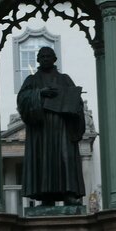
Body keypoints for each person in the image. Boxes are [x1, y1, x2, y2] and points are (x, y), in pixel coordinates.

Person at [16, 46, 86, 205]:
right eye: (42, 56)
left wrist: (74, 108)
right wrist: (40, 93)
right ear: (38, 60)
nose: (45, 58)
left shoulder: (65, 79)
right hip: (41, 127)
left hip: (62, 126)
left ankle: (69, 193)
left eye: (48, 56)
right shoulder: (31, 80)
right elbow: (22, 100)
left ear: (55, 59)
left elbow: (76, 101)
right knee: (43, 159)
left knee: (65, 158)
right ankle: (46, 196)